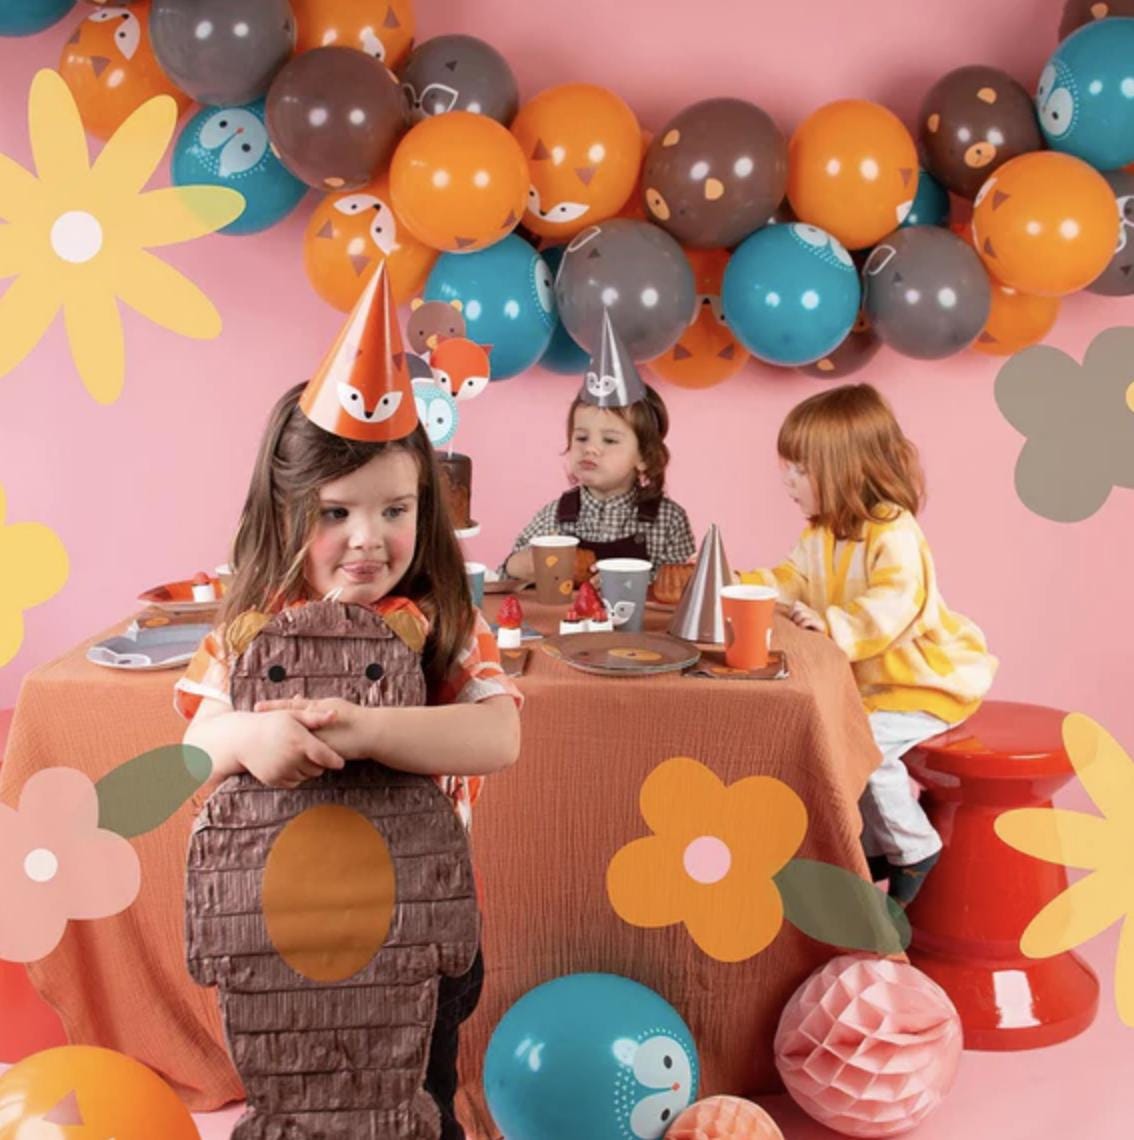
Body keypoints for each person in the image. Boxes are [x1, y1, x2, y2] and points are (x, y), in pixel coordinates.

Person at [176, 268, 520, 1139]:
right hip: (281, 943)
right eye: (335, 513)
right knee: (300, 1107)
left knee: (414, 1106)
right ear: (284, 508)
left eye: (394, 509)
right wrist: (246, 735)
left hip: (415, 936)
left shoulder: (441, 622)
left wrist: (372, 728)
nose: (368, 539)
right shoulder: (253, 628)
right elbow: (190, 755)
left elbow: (498, 735)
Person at [737, 383, 997, 906]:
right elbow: (790, 579)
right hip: (874, 690)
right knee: (841, 740)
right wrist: (739, 583)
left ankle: (916, 847)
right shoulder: (820, 536)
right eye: (787, 467)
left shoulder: (893, 531)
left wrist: (833, 626)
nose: (787, 480)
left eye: (800, 469)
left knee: (865, 747)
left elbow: (895, 604)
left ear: (844, 469)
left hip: (921, 682)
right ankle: (877, 846)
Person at [503, 312, 694, 582]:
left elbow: (683, 587)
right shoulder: (555, 516)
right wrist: (519, 565)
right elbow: (505, 575)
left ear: (643, 456)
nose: (590, 449)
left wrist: (630, 582)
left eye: (610, 440)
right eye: (582, 438)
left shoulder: (668, 520)